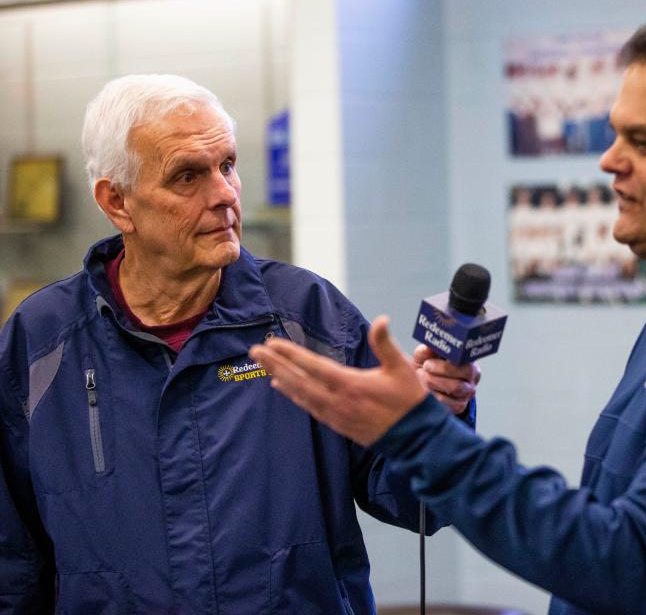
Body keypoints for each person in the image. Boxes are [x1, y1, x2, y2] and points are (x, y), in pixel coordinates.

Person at [251, 6, 646, 614]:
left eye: (644, 141)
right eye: (614, 135)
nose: (609, 161)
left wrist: (422, 434)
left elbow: (636, 564)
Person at [0, 74, 479, 613]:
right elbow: (12, 563)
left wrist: (436, 419)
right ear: (118, 202)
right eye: (187, 176)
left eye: (227, 165)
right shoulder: (41, 341)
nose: (225, 194)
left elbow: (416, 502)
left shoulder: (310, 319)